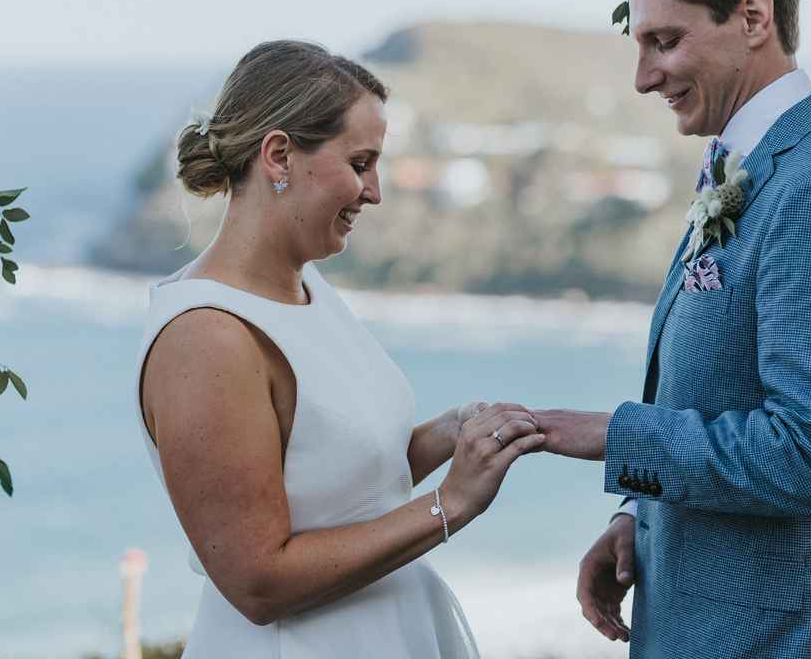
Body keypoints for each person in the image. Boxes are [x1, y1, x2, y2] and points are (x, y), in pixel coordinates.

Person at [536, 0, 811, 658]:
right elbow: (716, 391)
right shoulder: (747, 165)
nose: (645, 77)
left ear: (753, 17)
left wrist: (613, 436)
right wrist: (638, 520)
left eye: (665, 41)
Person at [135, 40, 544, 658]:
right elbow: (257, 581)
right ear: (279, 156)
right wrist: (449, 505)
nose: (374, 191)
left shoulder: (305, 285)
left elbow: (336, 485)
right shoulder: (206, 337)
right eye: (360, 163)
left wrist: (448, 434)